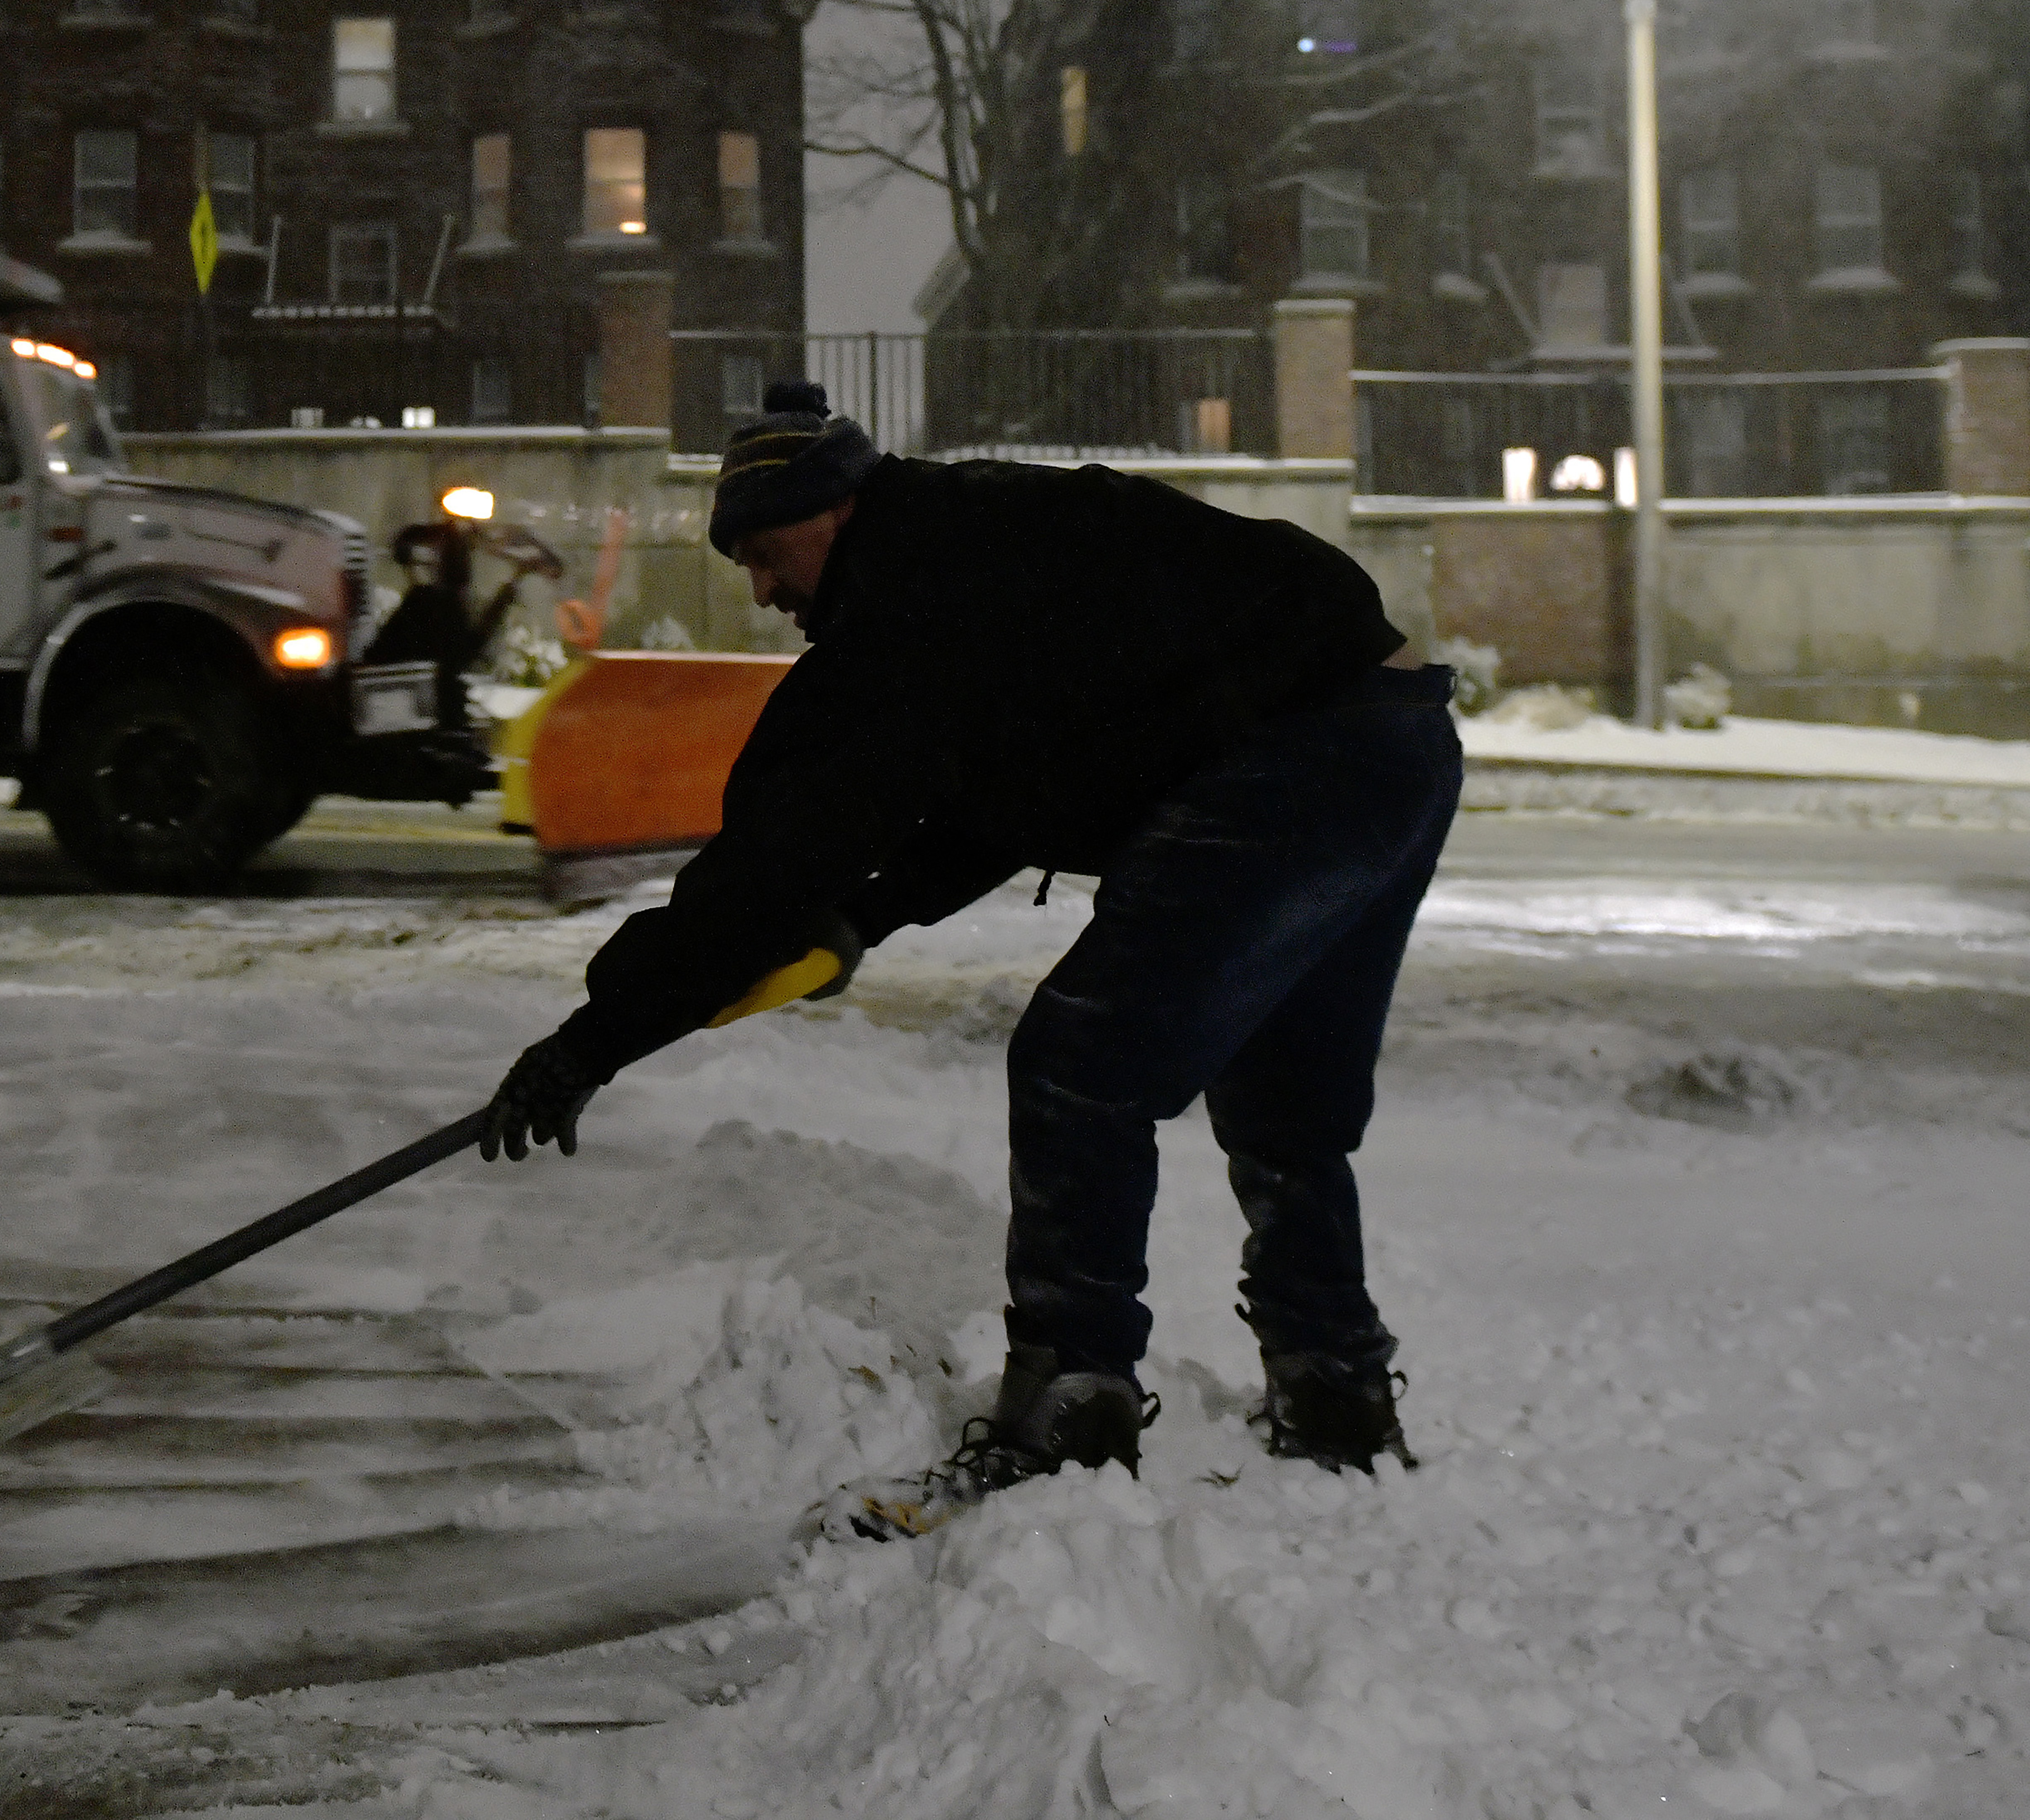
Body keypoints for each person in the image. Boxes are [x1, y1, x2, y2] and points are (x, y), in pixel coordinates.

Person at [480, 383, 1459, 1535]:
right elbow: (997, 799)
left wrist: (595, 1039)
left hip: (1300, 757)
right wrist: (864, 923)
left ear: (828, 510)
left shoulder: (908, 600)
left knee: (1080, 1059)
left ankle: (1070, 1412)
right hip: (1396, 742)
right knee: (1285, 1093)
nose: (760, 588)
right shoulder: (970, 545)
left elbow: (776, 863)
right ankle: (1333, 1389)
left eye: (762, 551)